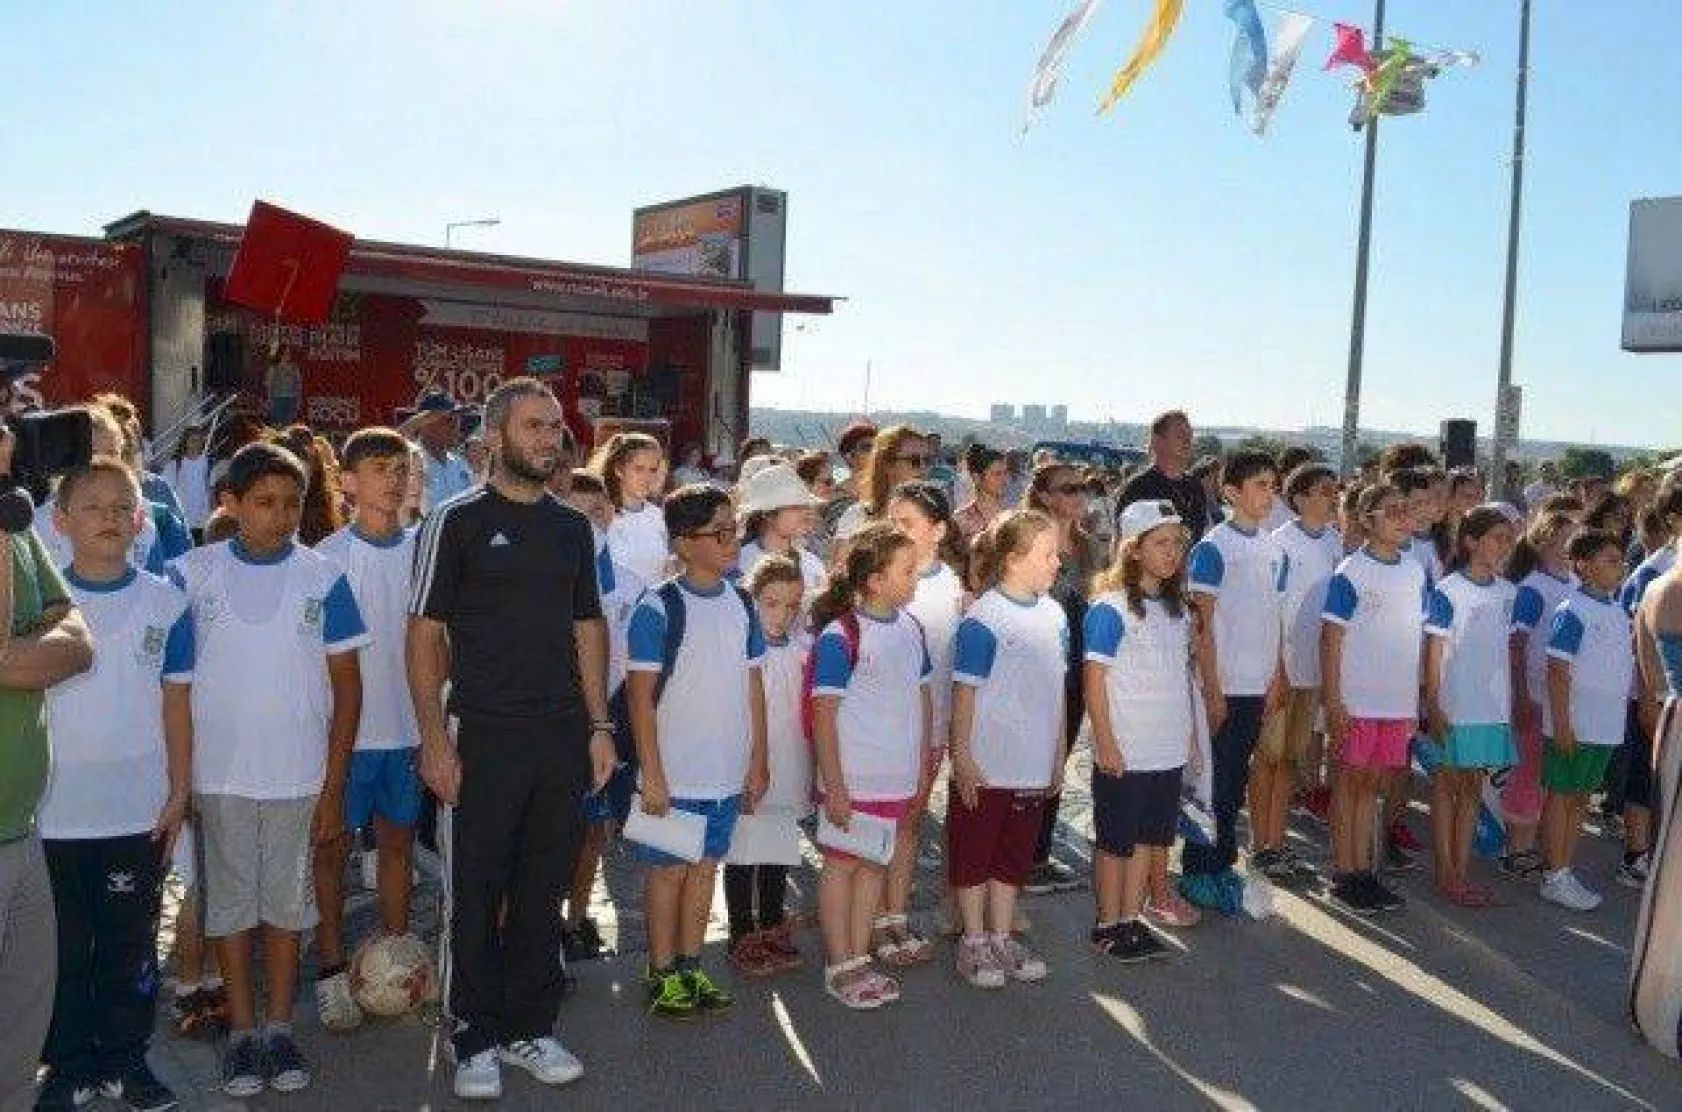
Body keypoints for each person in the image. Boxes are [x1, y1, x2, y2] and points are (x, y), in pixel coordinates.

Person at [409, 378, 615, 1101]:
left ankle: (531, 1025)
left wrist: (598, 726)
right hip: (481, 733)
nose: (547, 438)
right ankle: (472, 1035)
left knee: (542, 886)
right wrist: (434, 740)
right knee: (475, 888)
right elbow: (424, 633)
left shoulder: (570, 528)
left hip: (560, 736)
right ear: (494, 436)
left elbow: (588, 628)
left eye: (554, 427)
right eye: (532, 426)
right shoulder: (456, 520)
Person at [168, 442, 367, 1097]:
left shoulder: (322, 576)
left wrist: (333, 785)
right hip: (219, 780)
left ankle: (280, 1029)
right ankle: (242, 1034)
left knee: (285, 909)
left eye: (293, 503)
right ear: (229, 503)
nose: (282, 516)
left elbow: (348, 688)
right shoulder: (192, 575)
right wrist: (182, 780)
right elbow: (173, 685)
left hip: (298, 778)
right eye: (265, 503)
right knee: (228, 912)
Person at [33, 459, 193, 1112]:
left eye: (120, 506)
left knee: (130, 947)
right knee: (63, 951)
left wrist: (179, 790)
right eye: (90, 506)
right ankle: (68, 1067)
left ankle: (126, 1061)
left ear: (140, 519)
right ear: (61, 522)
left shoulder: (166, 600)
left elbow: (177, 702)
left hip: (136, 812)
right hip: (53, 812)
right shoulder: (38, 602)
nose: (107, 517)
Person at [625, 484, 769, 1017]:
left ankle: (691, 966)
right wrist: (654, 775)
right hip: (674, 774)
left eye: (736, 528)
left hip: (725, 771)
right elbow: (641, 700)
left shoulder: (742, 600)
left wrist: (758, 759)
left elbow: (753, 685)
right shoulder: (657, 608)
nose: (734, 540)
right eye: (720, 532)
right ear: (684, 544)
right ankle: (661, 970)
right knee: (668, 874)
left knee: (706, 869)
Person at [311, 429, 422, 1033]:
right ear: (348, 482)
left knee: (399, 847)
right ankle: (331, 972)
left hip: (406, 732)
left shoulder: (426, 550)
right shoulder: (324, 558)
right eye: (380, 467)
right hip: (343, 739)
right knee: (331, 852)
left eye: (401, 467)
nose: (394, 478)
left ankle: (398, 959)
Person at [809, 523, 930, 1010]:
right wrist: (834, 785)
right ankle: (840, 964)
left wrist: (920, 764)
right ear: (875, 580)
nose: (915, 578)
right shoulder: (842, 637)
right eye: (907, 570)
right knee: (842, 867)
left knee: (874, 867)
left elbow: (920, 698)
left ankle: (860, 956)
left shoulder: (911, 627)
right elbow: (824, 715)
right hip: (852, 780)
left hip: (894, 778)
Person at [947, 511, 1066, 988]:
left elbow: (1058, 691)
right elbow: (965, 693)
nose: (1058, 561)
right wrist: (963, 755)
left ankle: (1001, 933)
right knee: (975, 851)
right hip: (988, 762)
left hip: (1033, 762)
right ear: (1014, 559)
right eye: (1048, 554)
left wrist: (1057, 753)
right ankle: (973, 940)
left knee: (1013, 855)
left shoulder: (1055, 615)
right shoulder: (984, 618)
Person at [1084, 500, 1200, 962]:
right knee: (1117, 842)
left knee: (1149, 840)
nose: (1172, 553)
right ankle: (1108, 924)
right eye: (1160, 543)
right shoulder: (1109, 609)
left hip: (1165, 748)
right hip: (1126, 750)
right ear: (1133, 549)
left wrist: (1187, 734)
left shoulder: (1177, 610)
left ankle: (1132, 918)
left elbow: (1177, 677)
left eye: (1177, 543)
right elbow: (1095, 682)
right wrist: (1107, 742)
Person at [1183, 451, 1289, 892]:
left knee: (1234, 781)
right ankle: (1197, 869)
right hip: (1221, 685)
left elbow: (1275, 617)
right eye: (1260, 485)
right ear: (1231, 492)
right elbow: (1201, 625)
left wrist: (1276, 675)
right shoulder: (1213, 548)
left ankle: (1221, 862)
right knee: (1212, 782)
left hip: (1256, 685)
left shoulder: (1273, 548)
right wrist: (1212, 689)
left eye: (1272, 484)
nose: (1270, 494)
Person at [1321, 481, 1426, 916]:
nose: (1403, 518)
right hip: (1358, 701)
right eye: (1392, 511)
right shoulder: (1351, 572)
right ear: (1367, 521)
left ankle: (1365, 871)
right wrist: (1334, 701)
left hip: (1396, 702)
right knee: (1351, 784)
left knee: (1374, 786)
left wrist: (1414, 702)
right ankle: (1345, 874)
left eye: (1406, 510)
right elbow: (1331, 639)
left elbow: (1414, 636)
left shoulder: (1415, 569)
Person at [557, 470, 642, 963]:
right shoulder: (551, 577)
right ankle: (544, 923)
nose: (590, 524)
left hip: (607, 719)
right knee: (554, 833)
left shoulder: (629, 584)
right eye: (578, 514)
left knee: (594, 831)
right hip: (558, 720)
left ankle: (577, 918)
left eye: (597, 514)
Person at [883, 482, 967, 951]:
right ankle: (870, 919)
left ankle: (894, 916)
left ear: (937, 531)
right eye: (892, 521)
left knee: (909, 823)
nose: (896, 530)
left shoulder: (953, 585)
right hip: (879, 728)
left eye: (907, 524)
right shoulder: (876, 578)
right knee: (876, 825)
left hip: (929, 730)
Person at [1421, 506, 1518, 907]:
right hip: (1454, 705)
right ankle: (1445, 870)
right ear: (1471, 541)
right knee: (1447, 789)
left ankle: (1461, 869)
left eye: (1509, 539)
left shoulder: (1508, 593)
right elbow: (1434, 651)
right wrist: (1433, 703)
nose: (1504, 545)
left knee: (1472, 791)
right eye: (1497, 537)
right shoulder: (1447, 590)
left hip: (1490, 708)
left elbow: (1501, 652)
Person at [1537, 529, 1635, 912]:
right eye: (1610, 560)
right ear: (1584, 565)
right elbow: (1558, 670)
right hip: (1575, 724)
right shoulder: (1571, 609)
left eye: (1619, 559)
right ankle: (1554, 874)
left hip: (1605, 724)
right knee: (1562, 796)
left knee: (1580, 799)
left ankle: (1565, 868)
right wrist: (1562, 724)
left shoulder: (1614, 608)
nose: (1619, 566)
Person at [723, 555, 811, 978]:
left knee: (777, 848)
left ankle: (772, 922)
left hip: (790, 762)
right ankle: (741, 931)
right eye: (772, 603)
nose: (782, 614)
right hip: (752, 762)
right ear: (754, 600)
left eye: (792, 605)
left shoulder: (802, 649)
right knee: (742, 851)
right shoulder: (742, 652)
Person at [1021, 462, 1102, 896]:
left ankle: (1036, 855)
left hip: (1078, 669)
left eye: (1082, 487)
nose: (1078, 495)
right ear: (1045, 496)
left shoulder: (1089, 547)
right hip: (1035, 669)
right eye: (1067, 488)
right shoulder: (1028, 542)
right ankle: (1019, 855)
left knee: (1057, 761)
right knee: (1028, 762)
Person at [1501, 511, 1579, 881]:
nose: (1571, 548)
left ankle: (1538, 844)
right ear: (1545, 541)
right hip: (1534, 693)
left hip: (1562, 699)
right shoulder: (1532, 588)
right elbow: (1516, 645)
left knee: (1549, 776)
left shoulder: (1577, 583)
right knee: (1528, 772)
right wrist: (1519, 696)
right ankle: (1516, 848)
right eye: (1565, 539)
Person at [1270, 464, 1343, 828]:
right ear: (1299, 498)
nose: (1333, 496)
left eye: (1335, 489)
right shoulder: (1280, 541)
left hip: (1316, 662)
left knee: (1294, 751)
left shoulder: (1334, 540)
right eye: (1324, 490)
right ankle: (1266, 833)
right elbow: (1272, 603)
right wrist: (1276, 663)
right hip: (1283, 663)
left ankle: (1284, 822)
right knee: (1271, 753)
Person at [591, 432, 670, 587]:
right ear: (619, 470)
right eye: (639, 469)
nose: (647, 477)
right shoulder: (599, 514)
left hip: (651, 608)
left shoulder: (657, 516)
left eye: (653, 470)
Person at [736, 461, 827, 593]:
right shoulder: (739, 562)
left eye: (806, 506)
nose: (806, 514)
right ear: (768, 514)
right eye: (795, 507)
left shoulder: (812, 563)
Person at [1120, 411, 1210, 543]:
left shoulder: (1195, 486)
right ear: (1158, 441)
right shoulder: (1138, 487)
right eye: (1180, 435)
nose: (1188, 440)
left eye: (1190, 435)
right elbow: (1122, 543)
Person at [832, 425, 929, 543]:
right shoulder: (857, 517)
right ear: (887, 464)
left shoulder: (934, 515)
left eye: (927, 460)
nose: (923, 468)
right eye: (914, 461)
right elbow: (840, 561)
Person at [404, 389, 475, 512]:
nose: (456, 426)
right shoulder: (410, 461)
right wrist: (415, 422)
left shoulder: (460, 464)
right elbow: (385, 447)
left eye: (458, 419)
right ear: (425, 424)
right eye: (449, 420)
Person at [165, 424, 213, 539]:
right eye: (192, 440)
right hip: (183, 518)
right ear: (185, 442)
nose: (196, 444)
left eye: (199, 440)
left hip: (203, 518)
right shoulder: (175, 464)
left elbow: (210, 489)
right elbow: (168, 489)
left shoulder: (208, 462)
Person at [955, 445, 1008, 540]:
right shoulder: (961, 519)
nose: (1004, 480)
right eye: (997, 474)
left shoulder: (1010, 516)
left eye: (1005, 473)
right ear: (977, 478)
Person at [265, 348, 303, 429]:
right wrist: (269, 400)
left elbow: (299, 385)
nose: (287, 355)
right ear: (280, 355)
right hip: (277, 399)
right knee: (276, 425)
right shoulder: (274, 368)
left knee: (288, 426)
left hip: (291, 399)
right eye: (285, 353)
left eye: (288, 353)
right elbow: (269, 385)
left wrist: (298, 400)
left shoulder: (294, 368)